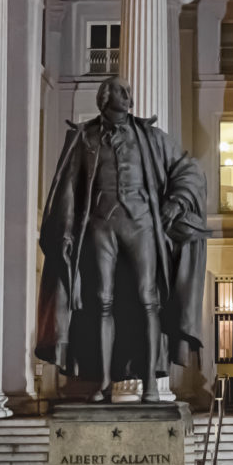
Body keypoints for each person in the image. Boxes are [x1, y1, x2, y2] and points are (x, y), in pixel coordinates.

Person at [34, 77, 210, 401]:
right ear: (104, 101)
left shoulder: (151, 138)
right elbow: (69, 190)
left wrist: (176, 202)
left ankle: (151, 385)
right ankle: (102, 383)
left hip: (141, 224)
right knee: (101, 301)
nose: (127, 97)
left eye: (128, 94)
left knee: (148, 300)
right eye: (120, 93)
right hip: (100, 225)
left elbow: (190, 169)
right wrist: (67, 230)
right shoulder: (83, 137)